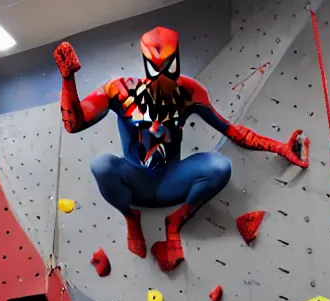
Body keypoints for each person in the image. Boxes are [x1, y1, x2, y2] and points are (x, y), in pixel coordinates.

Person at [53, 27, 309, 271]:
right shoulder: (120, 90)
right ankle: (131, 218)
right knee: (101, 165)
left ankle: (176, 220)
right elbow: (73, 123)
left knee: (219, 166)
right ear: (146, 64)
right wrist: (68, 80)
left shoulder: (189, 91)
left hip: (171, 180)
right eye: (157, 66)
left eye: (169, 65)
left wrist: (279, 147)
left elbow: (232, 131)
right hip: (135, 180)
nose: (163, 73)